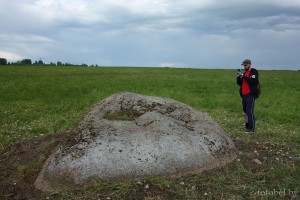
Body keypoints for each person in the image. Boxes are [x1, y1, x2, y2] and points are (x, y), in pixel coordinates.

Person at [237, 59, 259, 133]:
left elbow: (253, 82)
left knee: (249, 112)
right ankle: (247, 126)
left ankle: (251, 129)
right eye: (243, 65)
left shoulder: (254, 72)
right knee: (245, 112)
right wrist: (239, 76)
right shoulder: (245, 73)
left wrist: (243, 76)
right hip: (244, 95)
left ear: (249, 64)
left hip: (250, 94)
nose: (244, 66)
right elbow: (239, 83)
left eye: (245, 65)